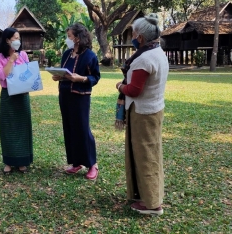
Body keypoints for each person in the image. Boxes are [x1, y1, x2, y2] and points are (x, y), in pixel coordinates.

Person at [114, 14, 169, 215]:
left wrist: (120, 86)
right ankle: (146, 195)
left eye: (134, 34)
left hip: (143, 113)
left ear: (141, 38)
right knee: (148, 153)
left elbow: (134, 90)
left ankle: (152, 203)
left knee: (146, 155)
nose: (133, 37)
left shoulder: (144, 59)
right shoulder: (158, 53)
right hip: (153, 109)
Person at [52, 23, 101, 181]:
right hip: (65, 94)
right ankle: (76, 162)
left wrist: (81, 78)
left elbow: (95, 77)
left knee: (82, 129)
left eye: (70, 36)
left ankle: (92, 164)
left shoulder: (90, 56)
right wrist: (58, 76)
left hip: (80, 96)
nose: (68, 39)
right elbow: (64, 72)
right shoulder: (66, 54)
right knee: (69, 128)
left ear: (78, 38)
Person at [0, 28, 33, 174]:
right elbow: (2, 75)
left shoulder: (23, 55)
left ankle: (22, 161)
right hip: (8, 96)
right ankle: (9, 162)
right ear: (7, 40)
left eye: (19, 38)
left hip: (22, 95)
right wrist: (11, 60)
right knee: (8, 128)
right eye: (15, 38)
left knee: (23, 127)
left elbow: (28, 73)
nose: (18, 41)